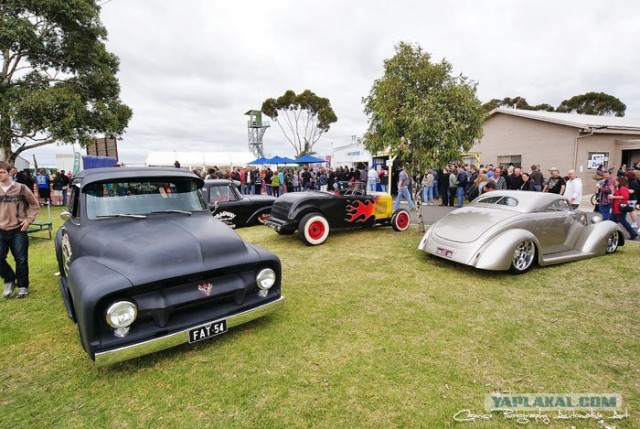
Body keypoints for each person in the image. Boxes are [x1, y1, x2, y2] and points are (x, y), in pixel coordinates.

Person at [0, 161, 40, 299]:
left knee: (21, 259)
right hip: (0, 230)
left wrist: (29, 220)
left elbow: (35, 205)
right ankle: (10, 280)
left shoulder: (21, 188)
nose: (0, 175)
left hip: (18, 230)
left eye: (2, 172)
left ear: (10, 172)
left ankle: (23, 286)